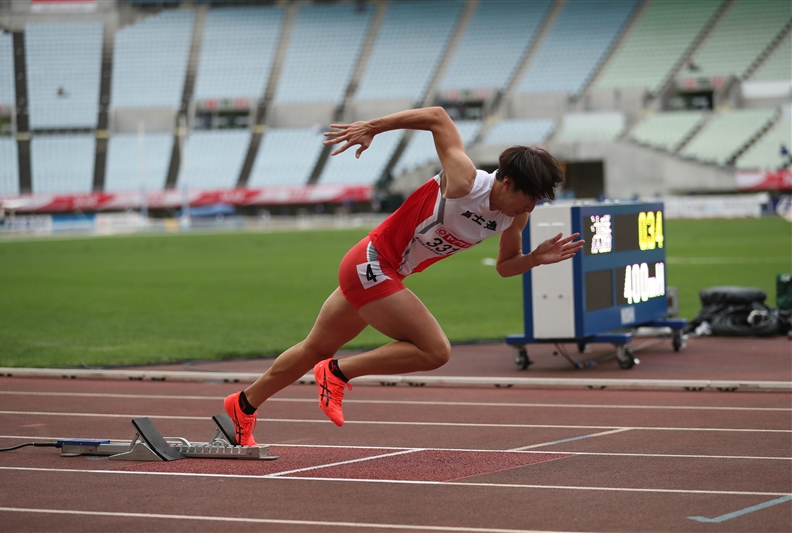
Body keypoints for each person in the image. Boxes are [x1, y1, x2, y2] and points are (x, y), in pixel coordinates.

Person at [224, 107, 584, 445]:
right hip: (372, 261)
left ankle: (242, 406)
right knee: (435, 350)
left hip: (382, 272)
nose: (532, 208)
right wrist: (371, 128)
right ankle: (336, 373)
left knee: (313, 348)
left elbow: (506, 267)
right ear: (507, 183)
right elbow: (437, 117)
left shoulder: (513, 217)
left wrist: (534, 259)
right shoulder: (465, 181)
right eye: (530, 198)